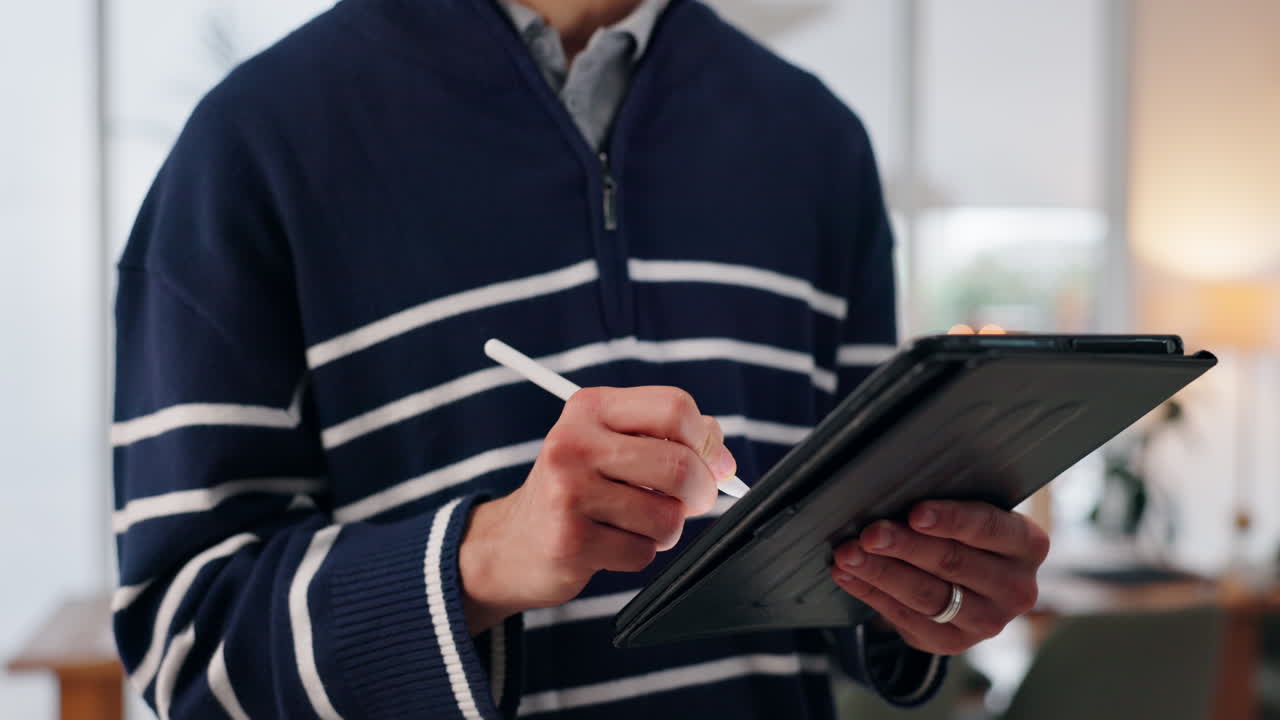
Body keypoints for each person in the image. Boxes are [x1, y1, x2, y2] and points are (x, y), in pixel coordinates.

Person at [110, 0, 1048, 717]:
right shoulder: (253, 146)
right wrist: (482, 559)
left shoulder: (818, 145)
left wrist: (927, 589)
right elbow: (183, 650)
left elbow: (845, 571)